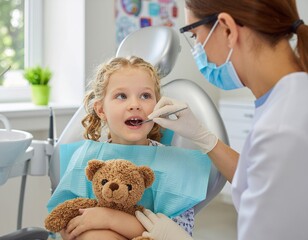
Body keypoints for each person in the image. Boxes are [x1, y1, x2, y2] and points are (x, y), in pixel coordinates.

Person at [135, 0, 308, 240]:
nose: (197, 48)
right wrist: (203, 137)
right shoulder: (286, 99)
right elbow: (259, 181)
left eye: (194, 36)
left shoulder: (283, 130)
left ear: (227, 28)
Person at [47, 56, 196, 240]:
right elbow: (64, 223)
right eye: (121, 96)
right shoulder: (85, 158)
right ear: (101, 110)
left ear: (157, 106)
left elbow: (178, 235)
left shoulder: (174, 165)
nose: (135, 105)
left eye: (145, 96)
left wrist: (110, 219)